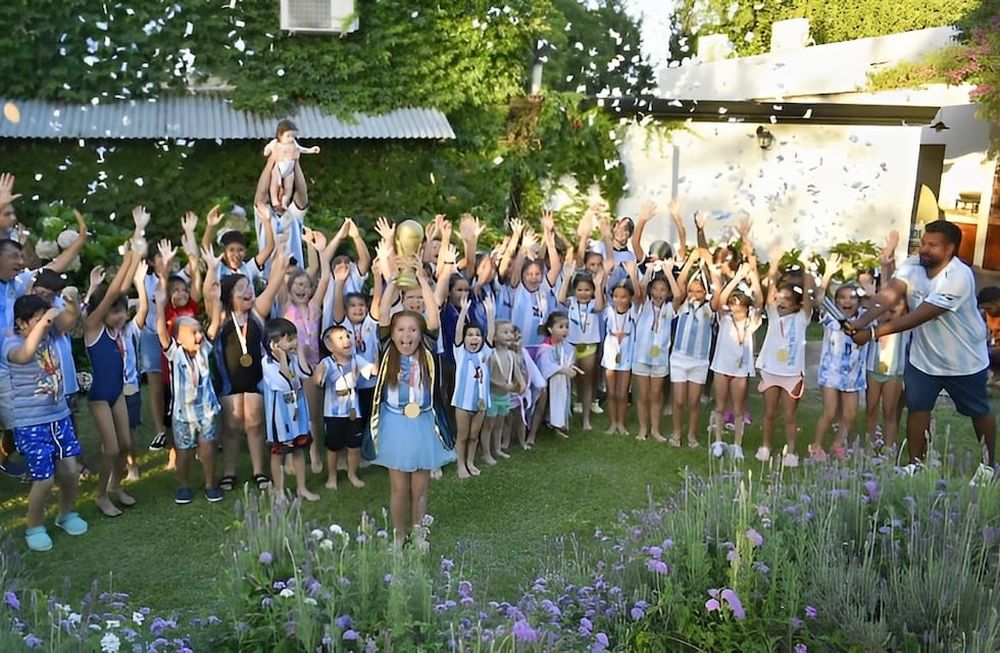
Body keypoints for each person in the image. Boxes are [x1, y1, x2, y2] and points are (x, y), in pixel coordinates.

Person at [850, 220, 996, 483]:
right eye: (923, 244)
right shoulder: (913, 265)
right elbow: (889, 296)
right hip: (924, 358)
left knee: (978, 411)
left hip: (964, 360)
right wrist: (859, 322)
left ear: (950, 248)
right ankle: (915, 465)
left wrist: (872, 334)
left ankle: (988, 465)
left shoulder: (959, 277)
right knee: (918, 409)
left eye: (933, 246)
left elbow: (919, 316)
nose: (925, 250)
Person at [368, 274, 455, 541]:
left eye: (413, 330)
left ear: (421, 334)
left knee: (419, 486)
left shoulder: (427, 350)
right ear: (391, 334)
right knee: (398, 487)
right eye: (401, 330)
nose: (407, 336)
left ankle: (418, 532)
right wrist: (393, 279)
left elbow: (433, 315)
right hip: (394, 424)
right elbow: (383, 313)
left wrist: (421, 280)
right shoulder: (387, 351)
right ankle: (398, 534)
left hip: (423, 424)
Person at [4, 296, 87, 551]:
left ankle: (66, 514)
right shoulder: (10, 342)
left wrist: (71, 306)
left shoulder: (50, 335)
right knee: (44, 479)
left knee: (71, 471)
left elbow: (70, 322)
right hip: (31, 423)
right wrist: (46, 320)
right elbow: (25, 354)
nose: (46, 324)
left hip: (59, 417)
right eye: (39, 320)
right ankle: (34, 526)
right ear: (22, 322)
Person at [206, 244, 288, 492]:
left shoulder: (258, 313)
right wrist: (211, 268)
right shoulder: (220, 317)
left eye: (249, 287)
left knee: (254, 424)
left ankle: (259, 471)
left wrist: (281, 250)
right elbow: (210, 293)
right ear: (229, 296)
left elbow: (274, 282)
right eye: (241, 289)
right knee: (231, 426)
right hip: (229, 381)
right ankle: (229, 471)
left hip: (255, 379)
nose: (248, 292)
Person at [155, 272, 224, 505]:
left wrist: (215, 300)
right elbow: (161, 331)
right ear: (178, 338)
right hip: (183, 414)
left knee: (207, 450)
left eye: (199, 331)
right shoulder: (174, 353)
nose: (199, 335)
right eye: (192, 332)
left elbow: (215, 324)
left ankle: (210, 484)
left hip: (206, 412)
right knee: (184, 453)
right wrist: (159, 304)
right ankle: (183, 485)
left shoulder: (204, 349)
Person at [84, 246, 142, 517]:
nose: (120, 315)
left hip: (117, 392)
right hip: (99, 397)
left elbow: (120, 290)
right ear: (101, 312)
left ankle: (117, 485)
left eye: (122, 311)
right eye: (114, 311)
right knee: (111, 448)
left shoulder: (116, 331)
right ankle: (101, 495)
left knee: (126, 445)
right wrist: (128, 258)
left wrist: (134, 254)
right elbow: (111, 294)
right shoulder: (93, 328)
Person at [755, 246, 816, 468]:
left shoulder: (802, 318)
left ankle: (791, 451)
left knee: (789, 415)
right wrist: (773, 265)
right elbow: (769, 291)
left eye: (786, 299)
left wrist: (807, 268)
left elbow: (809, 298)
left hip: (791, 375)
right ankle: (765, 446)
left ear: (797, 304)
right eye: (779, 298)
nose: (780, 302)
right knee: (769, 413)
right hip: (771, 371)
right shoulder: (772, 315)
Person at [810, 267, 868, 461]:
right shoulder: (831, 317)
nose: (847, 301)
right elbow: (819, 300)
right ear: (836, 301)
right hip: (831, 372)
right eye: (842, 297)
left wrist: (867, 292)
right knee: (830, 411)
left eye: (852, 297)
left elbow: (878, 303)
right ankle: (816, 445)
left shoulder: (865, 318)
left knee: (851, 413)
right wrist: (826, 276)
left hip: (854, 373)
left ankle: (838, 444)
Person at [707, 260, 763, 460]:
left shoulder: (752, 322)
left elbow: (759, 302)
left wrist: (754, 275)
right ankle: (718, 441)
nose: (734, 312)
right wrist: (737, 278)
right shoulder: (724, 319)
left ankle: (737, 445)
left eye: (739, 309)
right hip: (722, 367)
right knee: (720, 406)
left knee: (739, 409)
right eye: (732, 308)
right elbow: (718, 300)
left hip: (741, 370)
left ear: (746, 310)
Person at [261, 317, 319, 501]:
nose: (294, 342)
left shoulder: (294, 358)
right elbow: (284, 383)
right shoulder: (268, 364)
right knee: (279, 452)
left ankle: (302, 488)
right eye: (290, 339)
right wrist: (283, 360)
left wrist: (300, 351)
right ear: (274, 344)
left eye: (295, 337)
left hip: (298, 412)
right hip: (280, 417)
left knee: (299, 450)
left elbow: (306, 373)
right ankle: (279, 492)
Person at [314, 325, 373, 490]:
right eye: (340, 338)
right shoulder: (326, 363)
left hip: (354, 410)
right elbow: (317, 381)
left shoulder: (356, 359)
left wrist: (379, 365)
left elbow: (370, 369)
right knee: (333, 447)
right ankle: (332, 476)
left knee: (354, 446)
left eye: (348, 336)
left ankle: (352, 474)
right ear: (329, 346)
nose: (347, 340)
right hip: (333, 413)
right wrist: (318, 375)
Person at [556, 260, 605, 431]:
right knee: (568, 381)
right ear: (574, 290)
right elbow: (560, 298)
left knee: (586, 382)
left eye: (587, 290)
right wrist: (567, 277)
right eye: (579, 290)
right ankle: (562, 417)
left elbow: (599, 306)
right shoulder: (571, 302)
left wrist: (598, 286)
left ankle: (586, 419)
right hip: (570, 345)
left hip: (589, 346)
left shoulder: (593, 303)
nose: (583, 293)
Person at [452, 296, 495, 476]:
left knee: (473, 436)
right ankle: (460, 465)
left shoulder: (485, 352)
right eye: (470, 335)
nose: (474, 338)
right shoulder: (460, 353)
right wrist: (463, 311)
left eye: (477, 335)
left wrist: (490, 313)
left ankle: (470, 462)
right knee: (462, 436)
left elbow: (491, 333)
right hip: (463, 403)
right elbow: (457, 333)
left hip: (481, 403)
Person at [601, 263, 642, 436]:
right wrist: (605, 273)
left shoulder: (634, 311)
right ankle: (613, 422)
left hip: (626, 352)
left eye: (624, 296)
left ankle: (622, 423)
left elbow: (639, 296)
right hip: (611, 351)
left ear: (630, 297)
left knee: (623, 392)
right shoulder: (608, 311)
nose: (619, 299)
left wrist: (633, 275)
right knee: (611, 391)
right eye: (616, 296)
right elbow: (601, 293)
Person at [533, 312, 577, 437]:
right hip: (545, 382)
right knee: (542, 404)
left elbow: (569, 360)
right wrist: (563, 370)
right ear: (550, 329)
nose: (565, 330)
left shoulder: (566, 346)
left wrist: (570, 368)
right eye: (561, 327)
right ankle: (535, 432)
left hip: (560, 380)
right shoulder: (545, 347)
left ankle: (557, 422)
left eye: (567, 326)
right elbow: (546, 366)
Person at [263, 119, 320, 212]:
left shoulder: (294, 144)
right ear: (280, 135)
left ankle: (285, 201)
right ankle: (275, 201)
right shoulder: (275, 143)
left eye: (293, 136)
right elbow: (267, 150)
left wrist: (311, 150)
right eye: (288, 136)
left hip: (290, 169)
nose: (291, 139)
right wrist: (267, 152)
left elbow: (301, 149)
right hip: (278, 167)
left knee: (288, 188)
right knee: (274, 184)